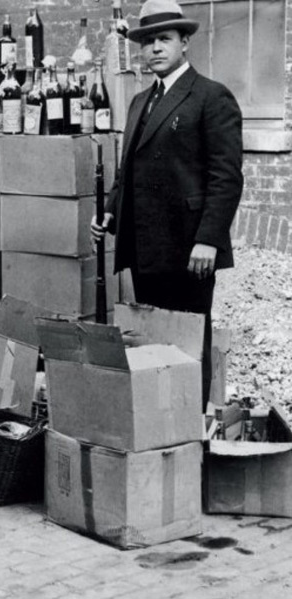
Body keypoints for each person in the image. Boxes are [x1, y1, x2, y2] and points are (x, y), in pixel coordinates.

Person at [90, 0, 243, 407]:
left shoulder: (211, 97)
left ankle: (191, 428)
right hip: (145, 248)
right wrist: (109, 210)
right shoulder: (141, 101)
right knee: (154, 338)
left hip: (189, 249)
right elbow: (129, 170)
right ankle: (159, 424)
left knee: (189, 343)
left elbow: (226, 177)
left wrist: (208, 239)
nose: (155, 48)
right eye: (148, 41)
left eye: (165, 39)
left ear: (185, 42)